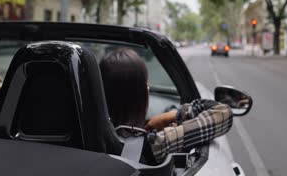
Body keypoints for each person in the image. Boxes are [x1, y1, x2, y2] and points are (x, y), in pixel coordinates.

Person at [99, 48, 233, 164]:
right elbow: (223, 113)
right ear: (141, 95)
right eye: (146, 86)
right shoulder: (154, 145)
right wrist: (176, 115)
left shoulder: (86, 134)